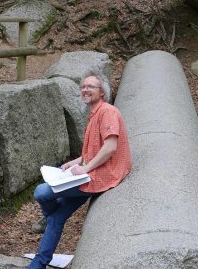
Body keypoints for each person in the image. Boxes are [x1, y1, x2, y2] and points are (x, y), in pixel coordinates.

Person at [28, 71, 132, 269]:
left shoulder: (108, 112)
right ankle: (37, 265)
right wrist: (71, 164)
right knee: (57, 218)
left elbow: (110, 147)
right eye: (83, 86)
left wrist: (85, 168)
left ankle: (46, 219)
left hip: (101, 176)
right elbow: (91, 152)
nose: (84, 90)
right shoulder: (93, 114)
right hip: (89, 174)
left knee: (41, 192)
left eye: (90, 87)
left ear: (102, 92)